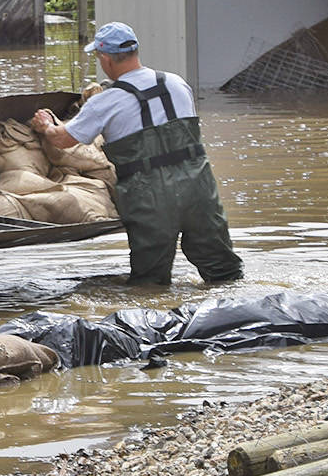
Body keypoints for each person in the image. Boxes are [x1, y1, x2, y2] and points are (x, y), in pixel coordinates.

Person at [31, 21, 243, 286]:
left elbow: (64, 140)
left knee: (149, 282)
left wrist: (46, 126)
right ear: (135, 51)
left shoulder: (105, 101)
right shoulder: (177, 84)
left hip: (150, 195)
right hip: (199, 188)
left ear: (105, 58)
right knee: (225, 272)